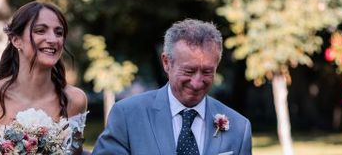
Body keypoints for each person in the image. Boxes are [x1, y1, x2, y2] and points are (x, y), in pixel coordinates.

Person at [92, 19, 252, 155]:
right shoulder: (127, 116)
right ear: (166, 62)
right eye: (188, 71)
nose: (197, 82)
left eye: (207, 71)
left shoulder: (240, 127)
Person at [0, 1, 88, 155]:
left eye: (59, 33)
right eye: (40, 30)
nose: (53, 39)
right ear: (16, 40)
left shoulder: (75, 100)